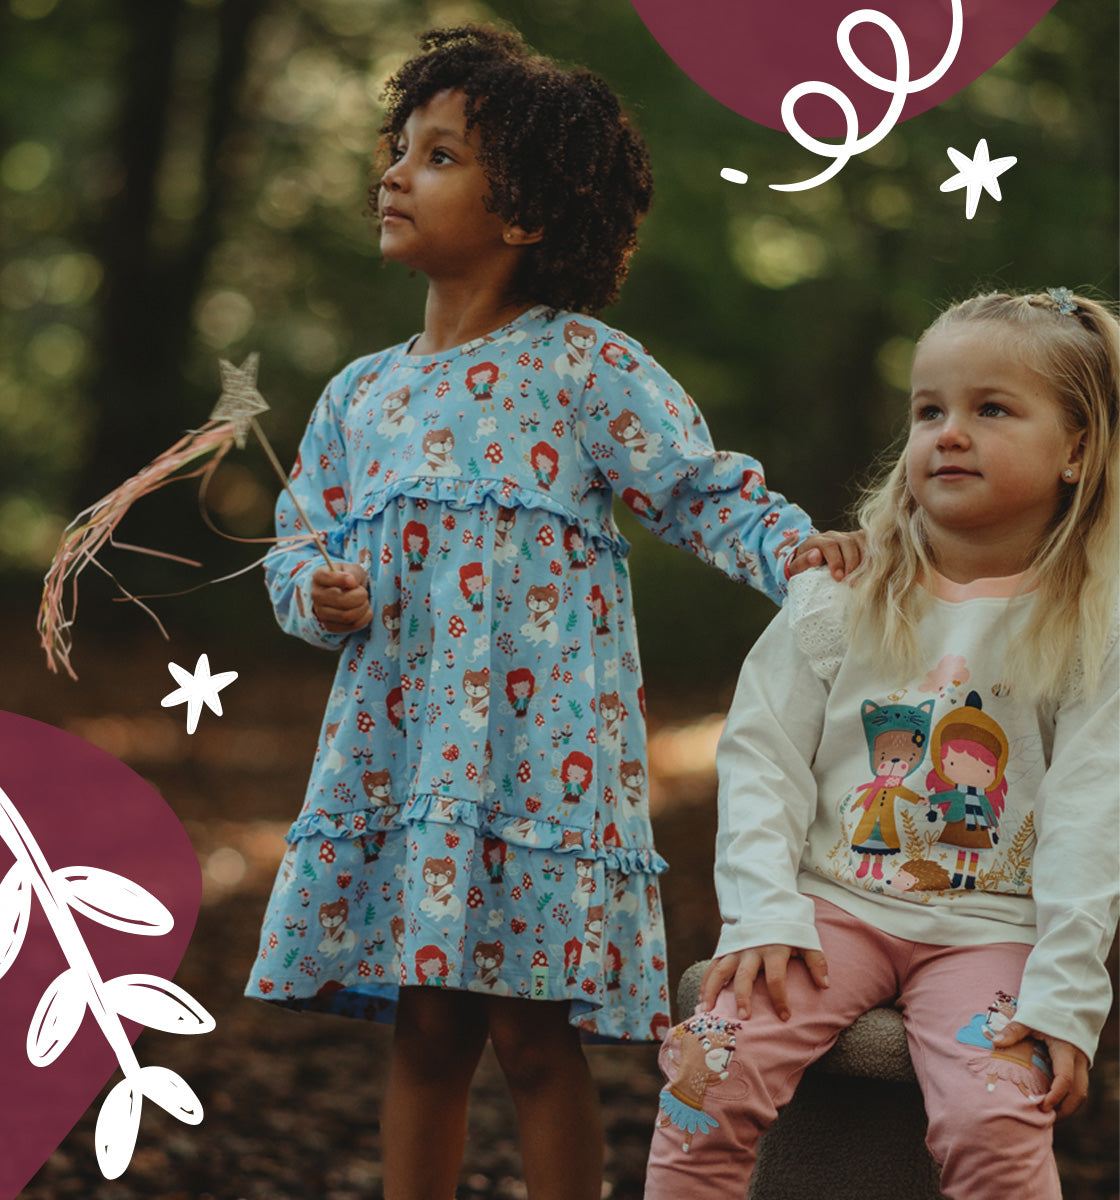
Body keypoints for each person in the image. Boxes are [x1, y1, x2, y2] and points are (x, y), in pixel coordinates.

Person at [244, 24, 854, 1200]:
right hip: (406, 759)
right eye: (399, 149)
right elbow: (297, 538)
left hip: (541, 770)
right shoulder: (358, 396)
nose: (393, 173)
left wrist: (808, 559)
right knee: (426, 1030)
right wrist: (314, 591)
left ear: (522, 214)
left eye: (436, 157)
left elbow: (698, 490)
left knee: (532, 1036)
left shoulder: (581, 366)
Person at [644, 288, 1119, 1200]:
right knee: (708, 1074)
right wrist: (764, 913)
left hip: (991, 930)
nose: (949, 432)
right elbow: (762, 757)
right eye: (929, 409)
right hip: (828, 912)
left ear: (1076, 451)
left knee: (995, 1118)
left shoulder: (1092, 630)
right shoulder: (843, 594)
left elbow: (1094, 820)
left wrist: (1064, 997)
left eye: (991, 409)